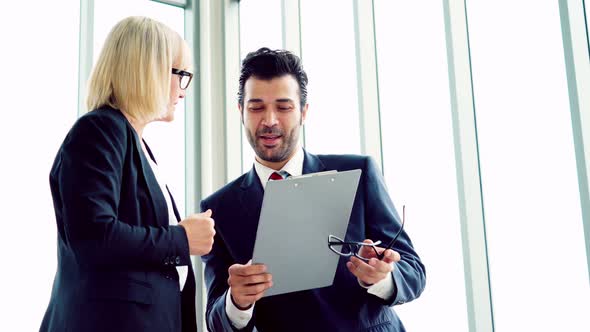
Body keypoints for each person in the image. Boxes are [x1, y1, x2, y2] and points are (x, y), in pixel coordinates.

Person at [200, 47, 426, 331]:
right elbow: (215, 320)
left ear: (304, 112)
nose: (269, 120)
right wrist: (237, 302)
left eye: (284, 107)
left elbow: (414, 272)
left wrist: (381, 276)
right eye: (256, 107)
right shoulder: (219, 210)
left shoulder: (358, 173)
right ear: (241, 112)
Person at [40, 16, 215, 332]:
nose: (184, 88)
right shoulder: (99, 131)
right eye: (181, 74)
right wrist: (182, 238)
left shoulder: (135, 143)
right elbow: (94, 236)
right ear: (149, 70)